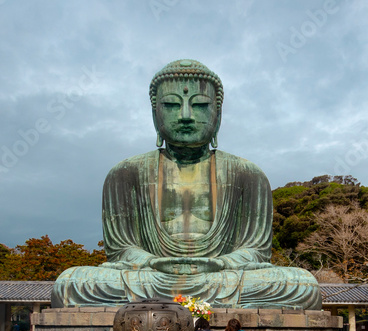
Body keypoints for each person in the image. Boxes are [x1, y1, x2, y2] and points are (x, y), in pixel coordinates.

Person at [51, 59, 321, 310]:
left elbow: (256, 251)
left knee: (301, 284)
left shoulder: (247, 174)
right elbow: (121, 249)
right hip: (153, 277)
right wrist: (150, 262)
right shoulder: (125, 173)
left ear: (217, 114)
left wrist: (222, 263)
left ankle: (172, 302)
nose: (185, 115)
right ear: (155, 114)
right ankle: (185, 301)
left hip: (221, 277)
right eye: (170, 105)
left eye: (200, 105)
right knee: (72, 283)